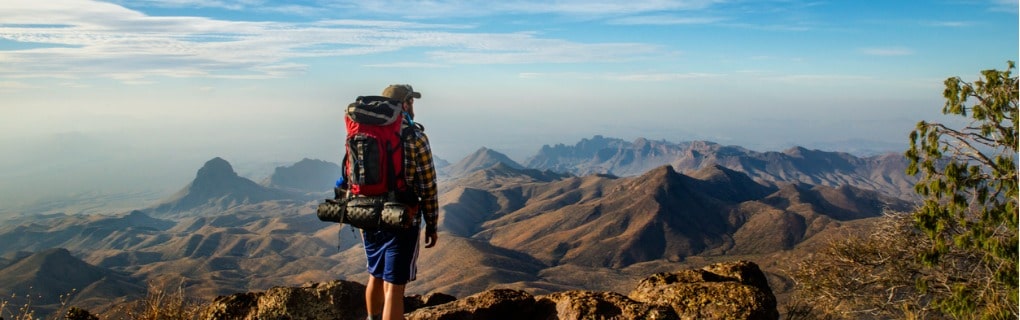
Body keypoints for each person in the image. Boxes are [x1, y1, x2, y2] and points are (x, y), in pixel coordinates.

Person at [362, 84, 439, 320]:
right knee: (395, 286)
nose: (413, 106)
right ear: (403, 105)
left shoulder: (365, 133)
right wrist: (432, 224)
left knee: (375, 274)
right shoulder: (415, 136)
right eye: (411, 102)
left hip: (368, 215)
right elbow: (428, 185)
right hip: (403, 217)